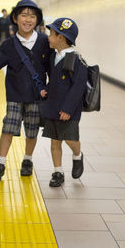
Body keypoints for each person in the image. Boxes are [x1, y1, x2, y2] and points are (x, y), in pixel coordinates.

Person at [0, 0, 53, 182]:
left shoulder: (45, 42)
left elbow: (52, 68)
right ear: (15, 18)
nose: (28, 19)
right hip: (15, 94)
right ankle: (0, 164)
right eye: (24, 15)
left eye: (32, 16)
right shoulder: (9, 44)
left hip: (37, 96)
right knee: (8, 128)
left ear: (37, 20)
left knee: (32, 130)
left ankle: (27, 160)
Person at [41, 18, 87, 187]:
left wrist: (68, 108)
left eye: (51, 34)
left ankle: (77, 155)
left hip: (69, 110)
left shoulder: (77, 60)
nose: (48, 37)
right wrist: (46, 88)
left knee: (70, 140)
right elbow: (53, 80)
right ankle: (58, 172)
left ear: (61, 37)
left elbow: (78, 87)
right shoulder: (54, 56)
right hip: (53, 107)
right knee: (54, 142)